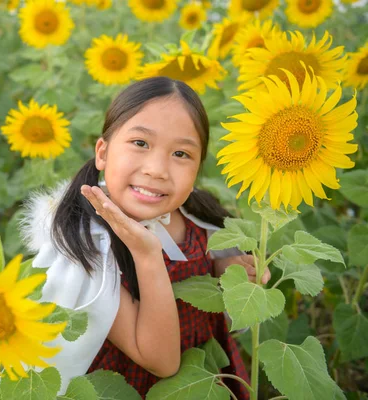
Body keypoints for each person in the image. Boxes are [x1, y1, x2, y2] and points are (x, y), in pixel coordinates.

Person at [18, 77, 269, 399]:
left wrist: (227, 272)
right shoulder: (88, 248)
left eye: (181, 153)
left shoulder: (199, 220)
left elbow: (219, 293)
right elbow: (160, 362)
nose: (157, 169)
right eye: (140, 143)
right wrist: (147, 254)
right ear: (103, 153)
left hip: (205, 379)